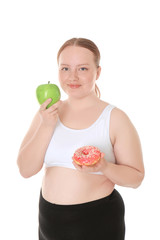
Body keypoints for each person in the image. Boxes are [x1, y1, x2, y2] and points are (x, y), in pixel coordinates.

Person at [17, 38, 145, 240]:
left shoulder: (115, 118)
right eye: (65, 68)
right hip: (48, 221)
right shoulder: (46, 113)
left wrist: (104, 167)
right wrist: (47, 126)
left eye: (83, 69)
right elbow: (25, 170)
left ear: (98, 72)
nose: (72, 77)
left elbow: (136, 178)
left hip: (96, 221)